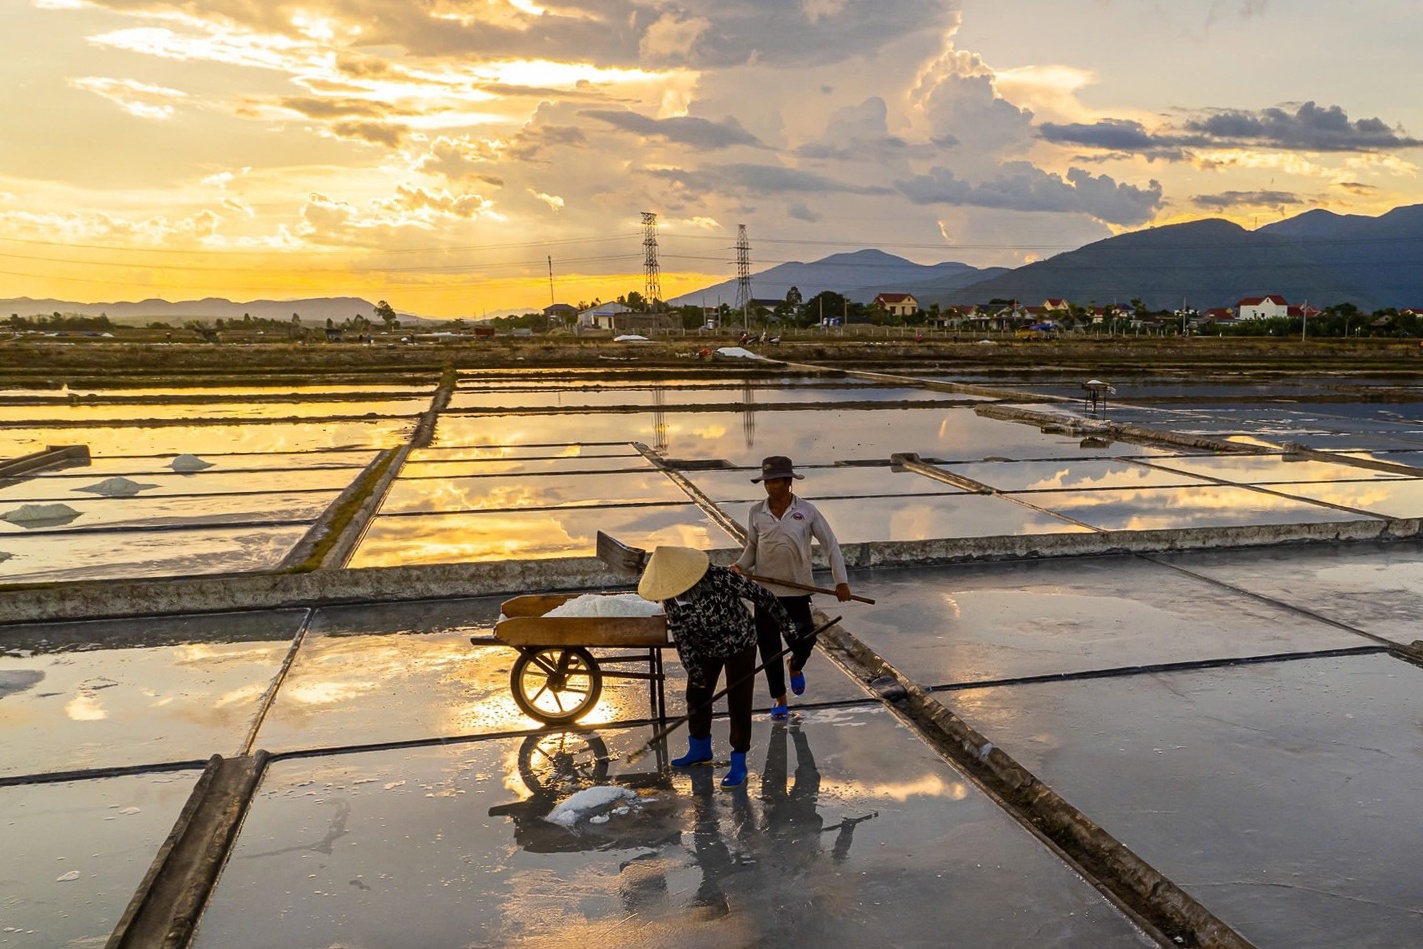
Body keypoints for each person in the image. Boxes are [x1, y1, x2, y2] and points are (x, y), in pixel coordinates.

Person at [637, 545, 801, 788]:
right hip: (704, 649)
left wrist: (791, 634)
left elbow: (765, 597)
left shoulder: (721, 577)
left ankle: (739, 760)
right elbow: (682, 637)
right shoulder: (671, 597)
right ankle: (700, 749)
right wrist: (694, 670)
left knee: (738, 701)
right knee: (696, 696)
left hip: (740, 644)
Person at [731, 455, 852, 721]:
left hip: (797, 590)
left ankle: (795, 666)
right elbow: (752, 548)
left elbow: (830, 545)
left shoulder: (806, 511)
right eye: (767, 481)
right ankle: (779, 697)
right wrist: (741, 567)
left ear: (788, 482)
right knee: (769, 647)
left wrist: (840, 581)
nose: (770, 486)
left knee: (805, 641)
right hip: (765, 593)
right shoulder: (756, 512)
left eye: (775, 481)